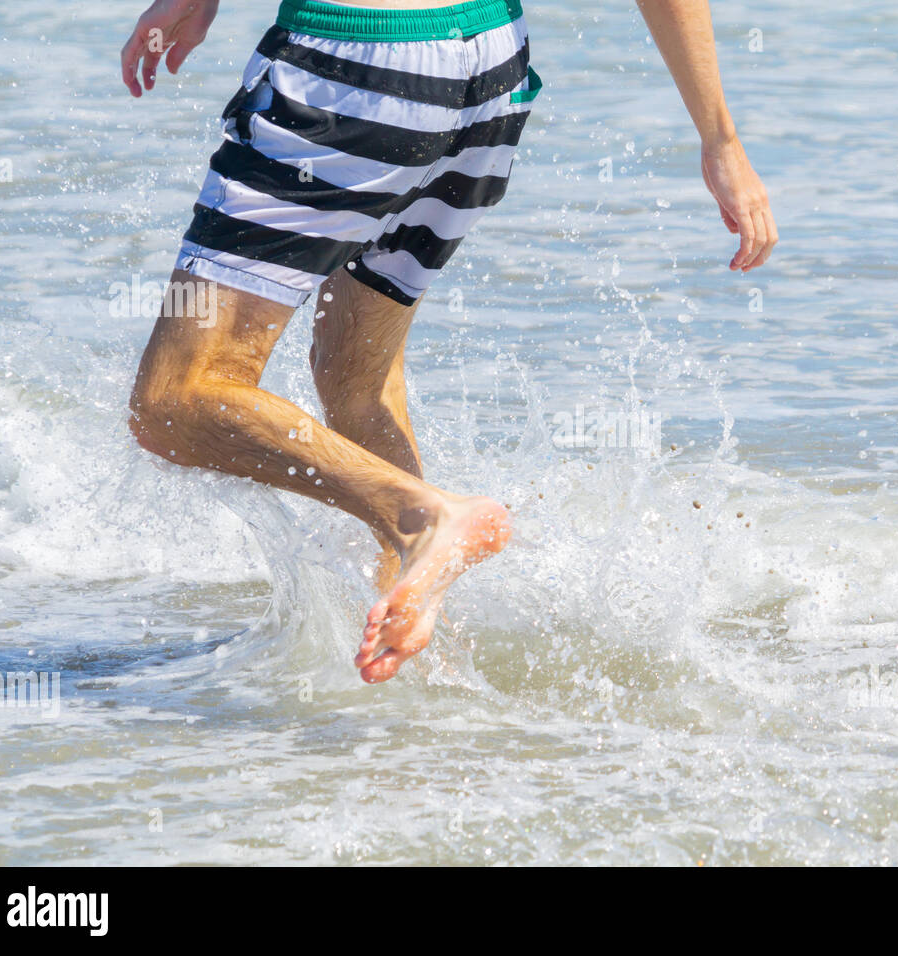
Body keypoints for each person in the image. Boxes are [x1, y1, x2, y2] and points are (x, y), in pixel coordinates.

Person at [120, 0, 777, 682]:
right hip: (487, 75)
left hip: (354, 70)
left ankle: (423, 521)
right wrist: (720, 139)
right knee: (355, 377)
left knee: (176, 398)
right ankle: (408, 635)